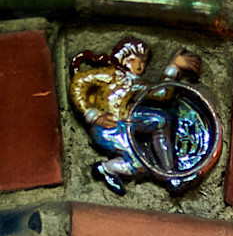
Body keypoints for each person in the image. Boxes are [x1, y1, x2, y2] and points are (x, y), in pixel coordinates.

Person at [69, 40, 203, 194]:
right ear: (126, 59)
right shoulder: (109, 75)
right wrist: (92, 115)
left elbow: (162, 94)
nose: (141, 66)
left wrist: (173, 69)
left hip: (126, 121)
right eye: (139, 61)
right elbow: (78, 83)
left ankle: (170, 173)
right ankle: (106, 168)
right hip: (108, 129)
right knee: (140, 163)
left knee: (161, 120)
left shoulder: (136, 83)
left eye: (144, 62)